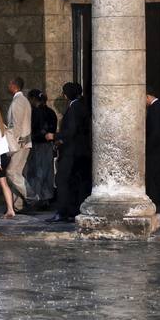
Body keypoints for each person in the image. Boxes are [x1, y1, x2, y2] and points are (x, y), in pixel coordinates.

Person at [49, 82, 90, 223]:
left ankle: (62, 212)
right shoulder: (81, 106)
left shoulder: (74, 108)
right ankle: (72, 211)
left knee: (62, 181)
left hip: (71, 153)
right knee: (74, 183)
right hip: (79, 152)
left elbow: (71, 131)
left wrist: (55, 136)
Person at [25, 89, 57, 210]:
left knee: (36, 172)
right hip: (48, 145)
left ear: (33, 99)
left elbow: (33, 130)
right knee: (47, 172)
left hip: (37, 145)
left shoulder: (34, 112)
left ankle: (36, 198)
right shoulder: (51, 112)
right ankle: (46, 198)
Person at [4, 77, 32, 212]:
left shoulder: (18, 101)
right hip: (22, 142)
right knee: (16, 172)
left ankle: (32, 196)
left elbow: (17, 124)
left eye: (9, 83)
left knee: (11, 172)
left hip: (20, 143)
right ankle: (17, 204)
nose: (7, 85)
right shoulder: (21, 100)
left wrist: (12, 140)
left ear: (14, 85)